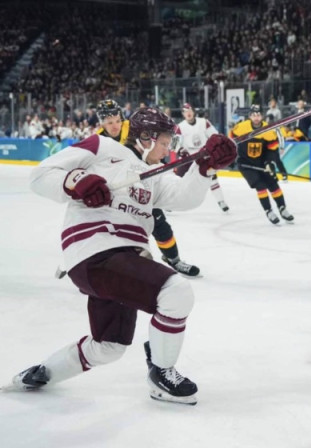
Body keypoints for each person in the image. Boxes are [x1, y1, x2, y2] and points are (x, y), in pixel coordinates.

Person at [12, 107, 236, 403]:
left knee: (109, 347)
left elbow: (184, 197)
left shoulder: (153, 175)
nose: (168, 149)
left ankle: (44, 372)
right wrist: (76, 181)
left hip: (120, 262)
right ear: (146, 137)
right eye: (164, 142)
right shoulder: (102, 147)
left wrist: (205, 167)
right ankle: (161, 374)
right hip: (94, 250)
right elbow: (40, 175)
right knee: (175, 292)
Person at [95, 99, 201, 277]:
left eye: (117, 120)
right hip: (120, 192)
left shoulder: (133, 127)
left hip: (144, 184)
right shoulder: (99, 141)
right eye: (109, 122)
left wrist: (177, 149)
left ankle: (174, 259)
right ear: (101, 122)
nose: (115, 126)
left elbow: (159, 137)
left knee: (158, 222)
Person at [230, 105, 294, 225]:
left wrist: (269, 162)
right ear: (250, 116)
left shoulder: (268, 129)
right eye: (254, 115)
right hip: (246, 164)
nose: (256, 117)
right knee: (260, 186)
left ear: (262, 116)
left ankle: (282, 208)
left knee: (273, 184)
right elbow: (231, 141)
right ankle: (268, 211)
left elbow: (272, 149)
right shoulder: (241, 127)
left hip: (262, 162)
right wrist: (232, 157)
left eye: (258, 115)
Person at [176, 103, 229, 212]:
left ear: (193, 111)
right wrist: (179, 150)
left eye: (189, 110)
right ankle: (172, 203)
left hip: (204, 155)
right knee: (179, 181)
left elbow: (215, 136)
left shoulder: (204, 122)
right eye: (185, 112)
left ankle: (221, 201)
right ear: (183, 114)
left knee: (212, 178)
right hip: (189, 156)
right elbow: (175, 143)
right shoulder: (180, 127)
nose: (188, 113)